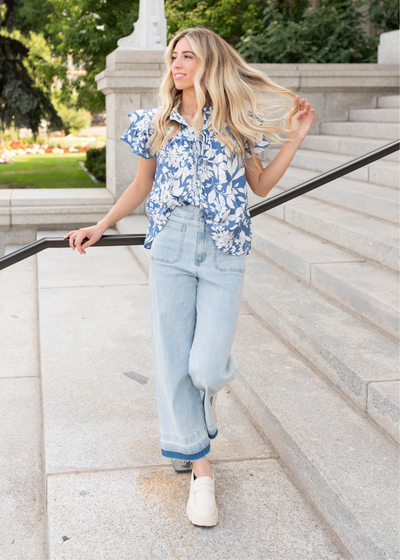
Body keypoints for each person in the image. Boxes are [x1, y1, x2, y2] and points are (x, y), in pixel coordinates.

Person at [64, 26, 315, 528]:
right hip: (172, 247)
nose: (176, 65)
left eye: (187, 56)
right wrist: (102, 225)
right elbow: (141, 185)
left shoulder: (236, 124)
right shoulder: (155, 123)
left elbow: (261, 186)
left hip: (224, 249)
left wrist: (296, 138)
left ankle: (208, 398)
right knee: (173, 361)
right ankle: (201, 472)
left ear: (210, 64)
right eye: (173, 56)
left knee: (205, 367)